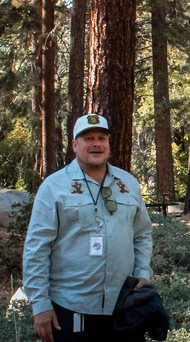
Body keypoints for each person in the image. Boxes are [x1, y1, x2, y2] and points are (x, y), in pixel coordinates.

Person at [22, 114, 154, 342]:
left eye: (102, 138)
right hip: (70, 306)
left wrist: (143, 273)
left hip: (123, 304)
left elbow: (142, 233)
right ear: (75, 145)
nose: (96, 144)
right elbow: (37, 248)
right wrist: (40, 304)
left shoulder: (128, 184)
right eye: (88, 138)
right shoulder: (54, 187)